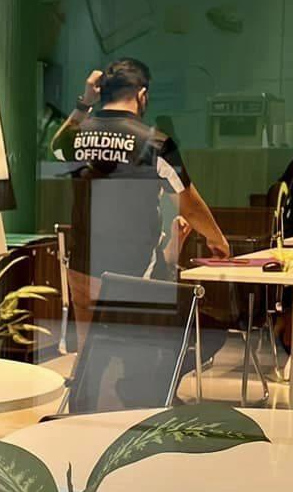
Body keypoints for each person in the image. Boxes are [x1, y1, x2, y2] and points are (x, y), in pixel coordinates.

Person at [58, 57, 230, 324]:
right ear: (141, 94)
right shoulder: (154, 143)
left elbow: (56, 147)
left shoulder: (77, 135)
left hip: (82, 266)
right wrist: (217, 239)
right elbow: (190, 206)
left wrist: (85, 103)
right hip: (132, 272)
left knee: (89, 347)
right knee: (129, 345)